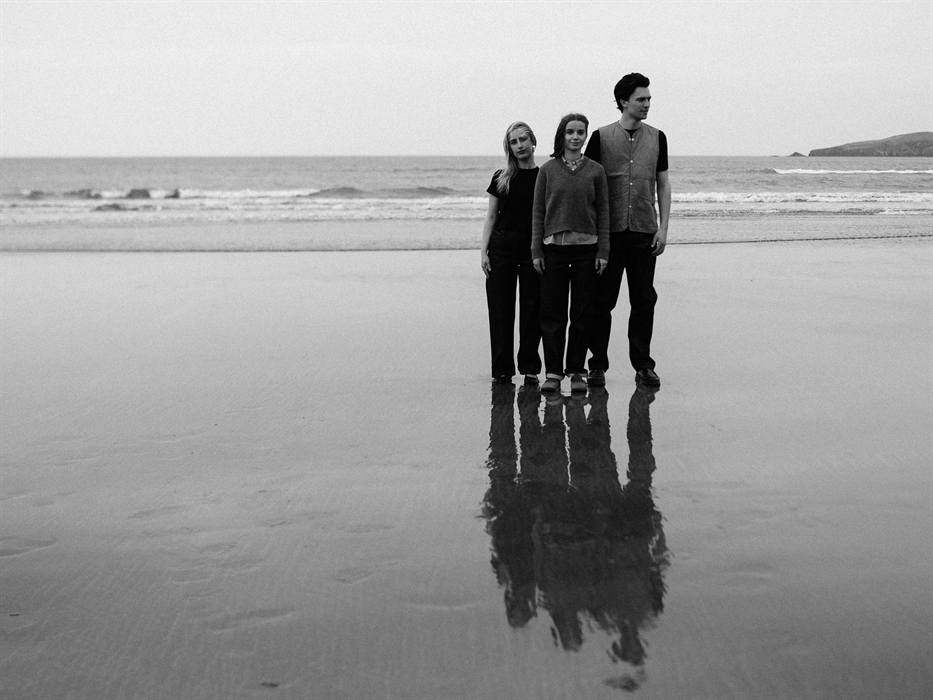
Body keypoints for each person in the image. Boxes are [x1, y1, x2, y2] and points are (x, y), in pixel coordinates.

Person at [585, 73, 671, 387]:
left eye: (648, 99)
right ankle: (597, 365)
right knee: (602, 301)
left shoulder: (658, 137)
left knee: (644, 299)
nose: (647, 104)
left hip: (645, 232)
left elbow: (662, 183)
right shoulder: (600, 137)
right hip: (608, 233)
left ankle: (643, 365)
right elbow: (589, 185)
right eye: (641, 99)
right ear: (624, 101)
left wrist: (663, 227)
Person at [532, 114, 609, 394]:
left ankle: (577, 371)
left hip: (587, 252)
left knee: (582, 313)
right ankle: (553, 372)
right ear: (561, 136)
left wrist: (603, 251)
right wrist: (536, 250)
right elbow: (538, 212)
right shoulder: (547, 170)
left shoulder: (596, 171)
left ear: (586, 136)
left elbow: (603, 213)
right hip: (553, 251)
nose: (575, 137)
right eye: (570, 132)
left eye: (580, 132)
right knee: (552, 314)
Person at [481, 121, 542, 385]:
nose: (519, 146)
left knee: (532, 309)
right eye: (514, 142)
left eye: (523, 140)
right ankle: (502, 370)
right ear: (509, 147)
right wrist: (484, 252)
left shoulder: (544, 176)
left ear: (532, 141)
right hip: (502, 247)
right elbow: (491, 216)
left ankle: (530, 367)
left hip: (533, 248)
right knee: (501, 310)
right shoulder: (501, 177)